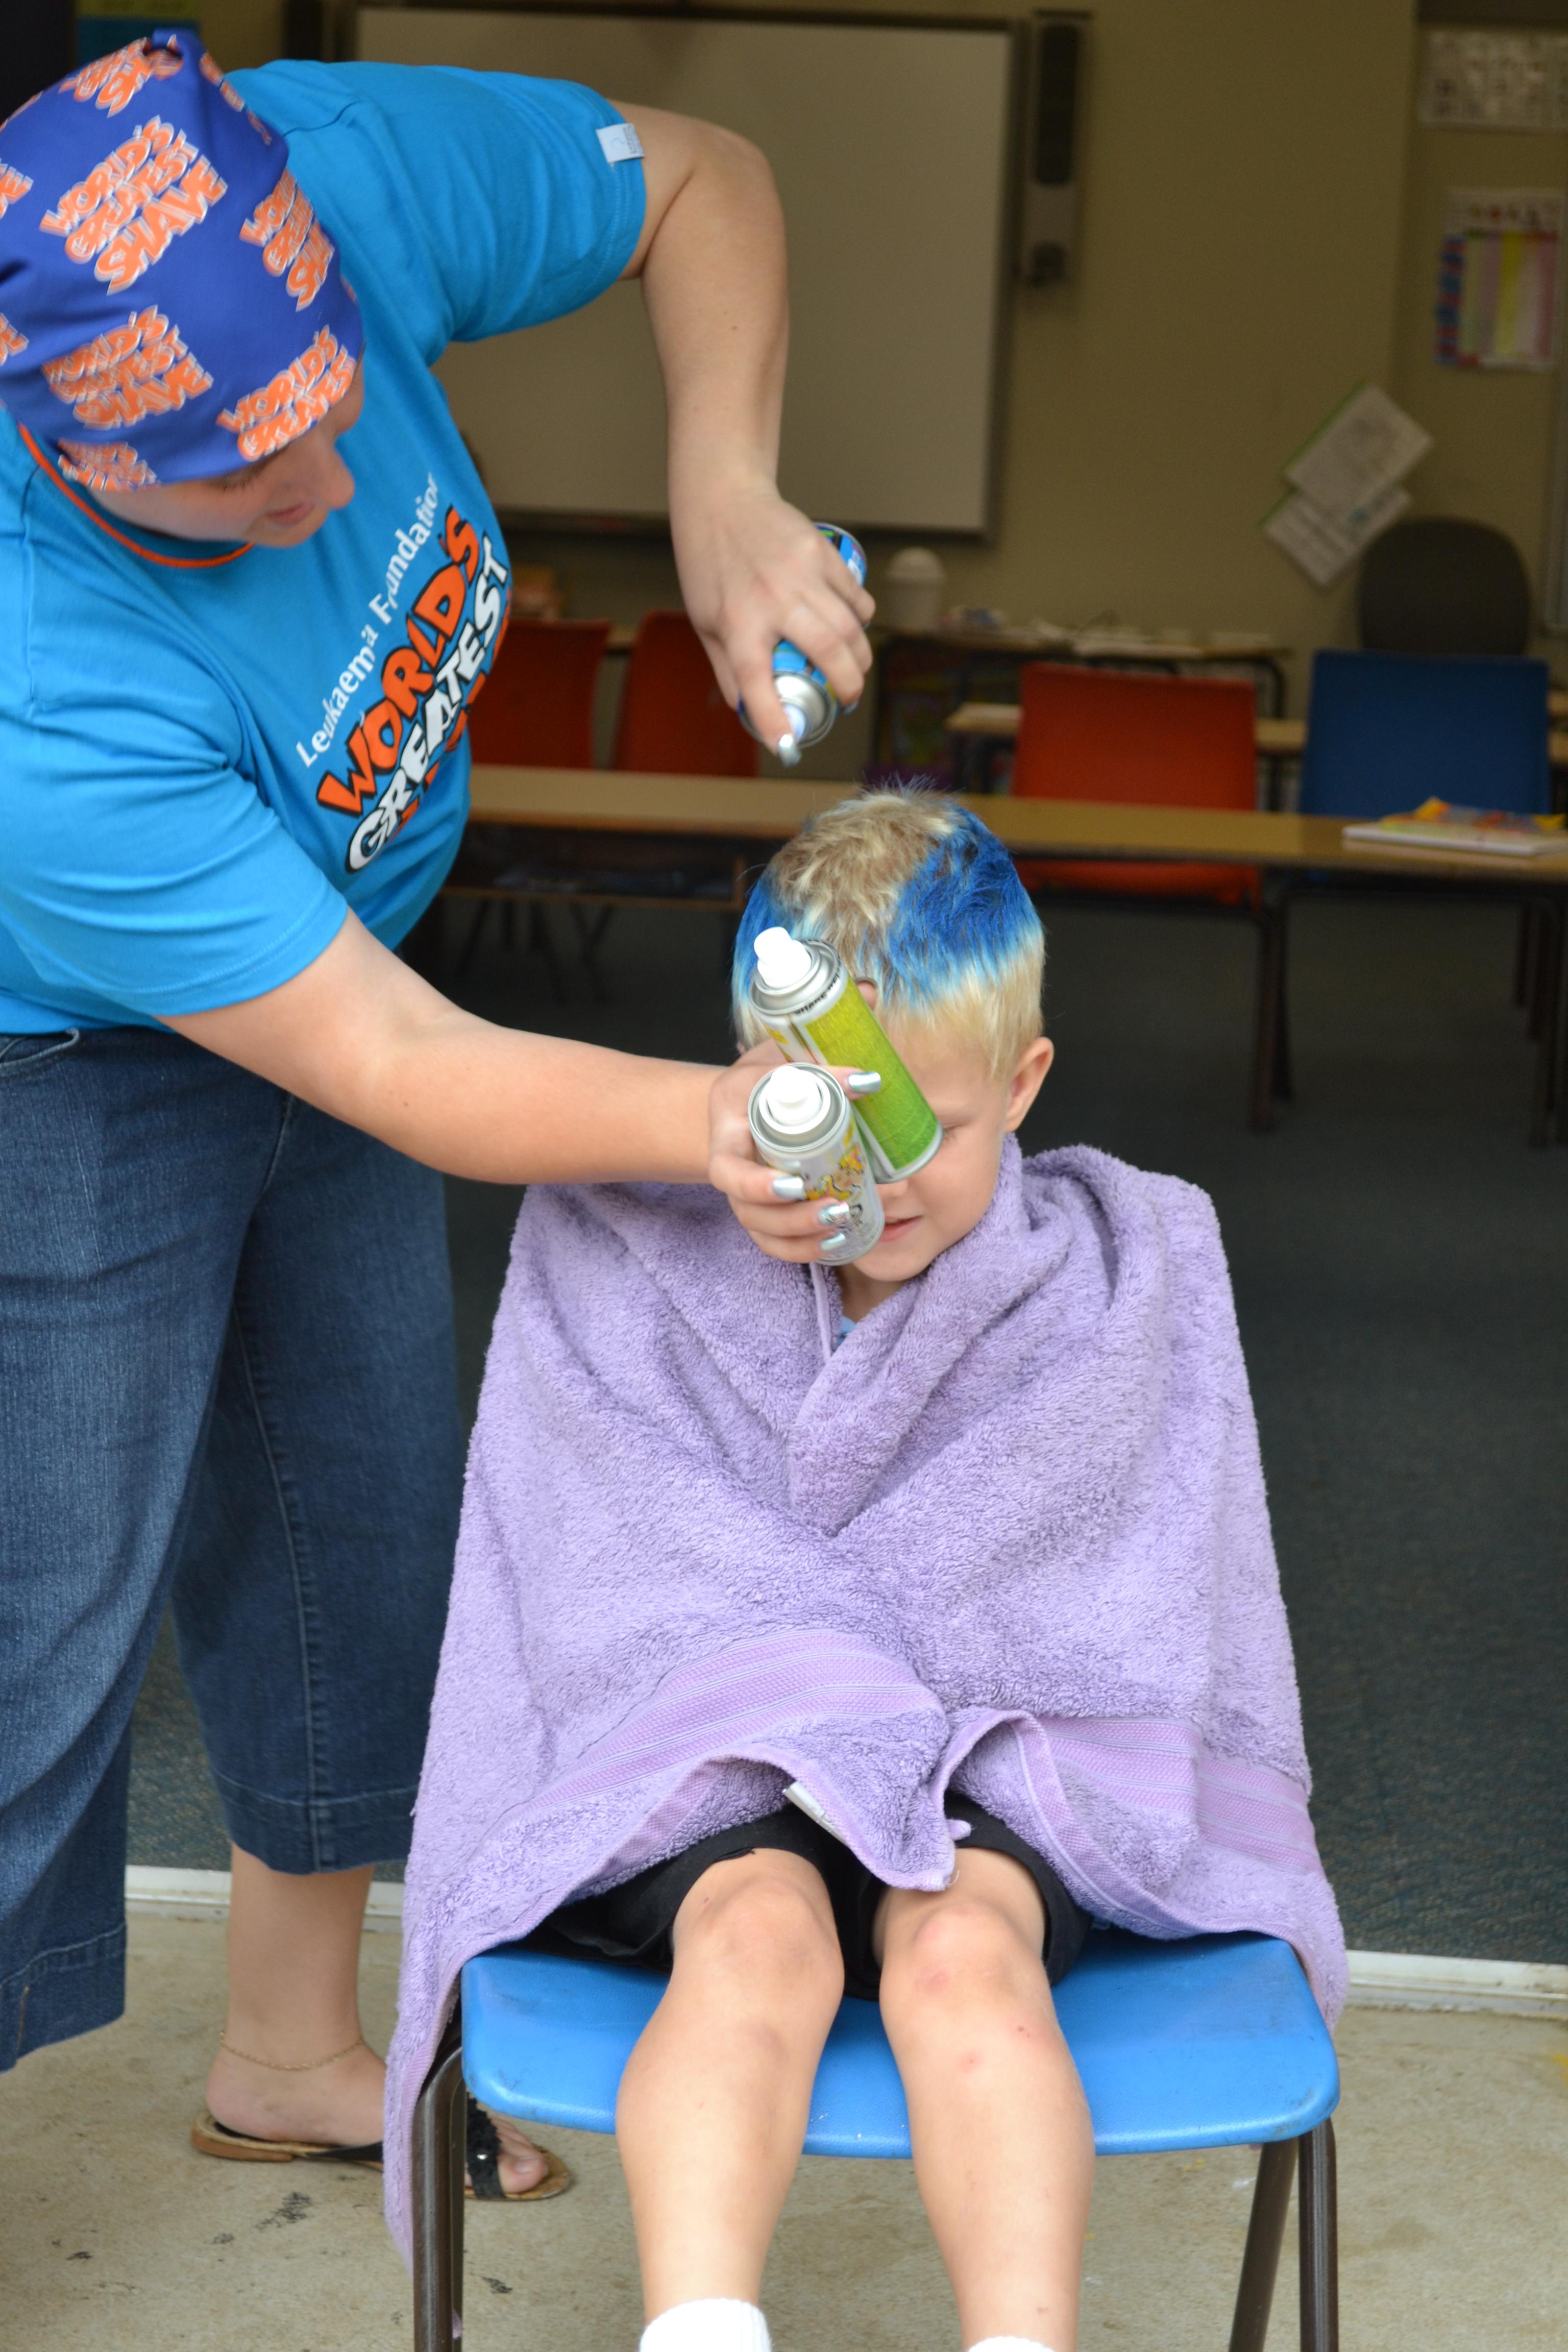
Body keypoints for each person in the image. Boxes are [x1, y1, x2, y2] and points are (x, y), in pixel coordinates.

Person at [0, 33, 874, 2191]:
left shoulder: (325, 171)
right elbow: (400, 1068)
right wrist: (754, 1130)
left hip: (358, 952)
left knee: (362, 1521)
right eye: (241, 485)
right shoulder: (39, 683)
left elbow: (704, 178)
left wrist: (726, 486)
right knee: (42, 1615)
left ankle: (296, 2053)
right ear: (76, 456)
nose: (320, 497)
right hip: (78, 1060)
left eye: (333, 414)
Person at [386, 792, 1346, 2334]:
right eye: (822, 1122)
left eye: (930, 1132)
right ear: (751, 1084)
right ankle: (701, 2327)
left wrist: (900, 1725)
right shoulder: (626, 1243)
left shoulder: (1120, 1278)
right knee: (753, 1929)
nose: (874, 1183)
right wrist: (810, 1700)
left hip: (1010, 1760)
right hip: (704, 1754)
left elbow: (1127, 1575)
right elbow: (603, 1558)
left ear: (1025, 1083)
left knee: (968, 1950)